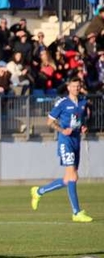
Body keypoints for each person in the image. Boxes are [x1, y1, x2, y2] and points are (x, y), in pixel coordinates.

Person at [31, 77, 93, 222]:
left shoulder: (83, 102)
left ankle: (39, 191)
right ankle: (76, 212)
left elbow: (81, 120)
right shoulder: (62, 103)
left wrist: (84, 127)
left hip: (76, 140)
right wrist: (61, 130)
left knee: (68, 179)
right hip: (65, 142)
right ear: (68, 87)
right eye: (73, 86)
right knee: (73, 177)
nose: (76, 89)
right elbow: (50, 121)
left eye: (78, 86)